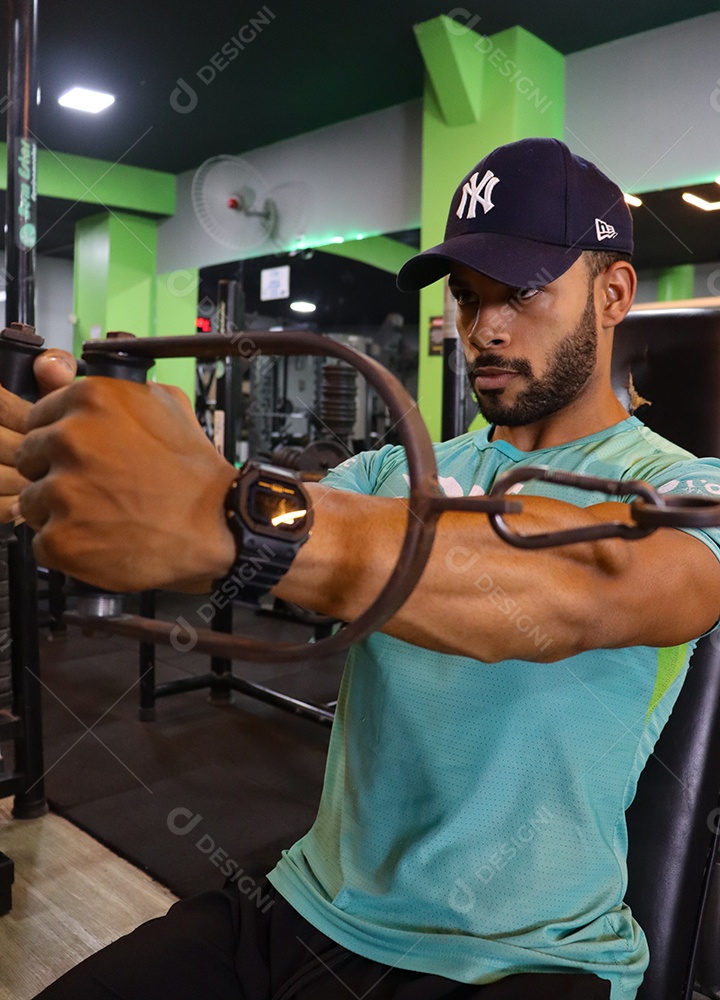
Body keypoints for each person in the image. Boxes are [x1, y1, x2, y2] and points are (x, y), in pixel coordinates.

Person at [5, 137, 720, 1000]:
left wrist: (228, 516)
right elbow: (241, 538)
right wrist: (91, 481)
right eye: (468, 295)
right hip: (304, 907)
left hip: (522, 959)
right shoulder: (396, 469)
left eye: (522, 292)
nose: (484, 328)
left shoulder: (687, 491)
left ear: (613, 294)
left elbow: (580, 589)